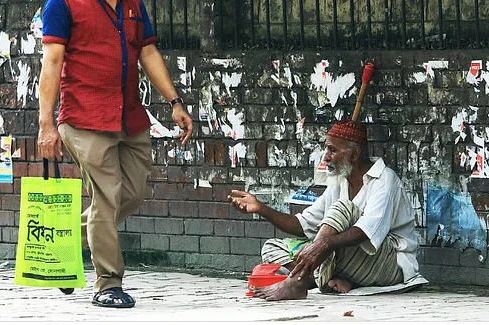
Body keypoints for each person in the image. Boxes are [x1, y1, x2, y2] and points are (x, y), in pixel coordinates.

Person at [37, 0, 193, 308]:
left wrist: (175, 102)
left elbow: (147, 52)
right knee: (107, 197)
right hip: (84, 119)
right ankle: (108, 283)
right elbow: (52, 62)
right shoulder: (62, 4)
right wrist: (46, 124)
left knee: (131, 194)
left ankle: (62, 246)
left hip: (129, 119)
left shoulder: (133, 4)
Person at [228, 120, 419, 300]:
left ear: (354, 154)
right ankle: (327, 279)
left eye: (332, 150)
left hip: (390, 263)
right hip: (349, 262)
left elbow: (365, 232)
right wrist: (261, 208)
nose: (325, 157)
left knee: (343, 208)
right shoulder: (339, 181)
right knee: (272, 247)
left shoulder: (385, 180)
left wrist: (323, 245)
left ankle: (297, 282)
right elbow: (303, 225)